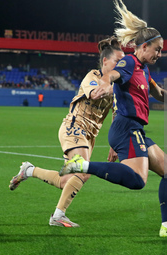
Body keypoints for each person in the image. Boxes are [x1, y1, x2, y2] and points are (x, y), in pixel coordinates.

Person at [60, 0, 167, 237]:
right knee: (137, 179)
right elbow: (113, 74)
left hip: (134, 129)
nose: (160, 53)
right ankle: (82, 165)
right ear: (144, 46)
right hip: (126, 127)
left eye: (161, 50)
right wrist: (104, 85)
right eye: (157, 49)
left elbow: (159, 93)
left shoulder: (143, 69)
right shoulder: (129, 62)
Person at [9, 37, 125, 227]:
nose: (120, 66)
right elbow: (96, 94)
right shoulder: (93, 76)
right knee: (83, 171)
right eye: (117, 62)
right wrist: (117, 89)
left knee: (67, 182)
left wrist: (114, 145)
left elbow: (116, 115)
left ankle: (28, 170)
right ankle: (57, 216)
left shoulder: (117, 86)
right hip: (74, 126)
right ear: (105, 61)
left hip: (89, 136)